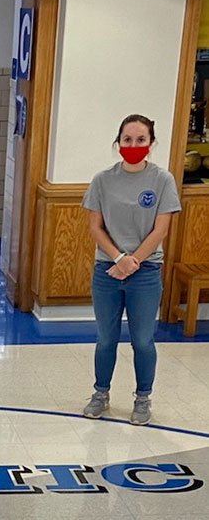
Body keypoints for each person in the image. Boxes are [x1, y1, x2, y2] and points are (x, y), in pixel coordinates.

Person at [81, 114, 181, 426]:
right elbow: (95, 227)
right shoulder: (102, 180)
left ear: (150, 144)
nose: (133, 145)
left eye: (140, 140)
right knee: (106, 338)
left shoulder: (162, 181)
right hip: (107, 271)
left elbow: (160, 230)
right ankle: (100, 394)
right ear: (118, 142)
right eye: (128, 140)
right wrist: (118, 259)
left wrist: (133, 261)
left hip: (146, 271)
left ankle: (142, 398)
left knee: (142, 340)